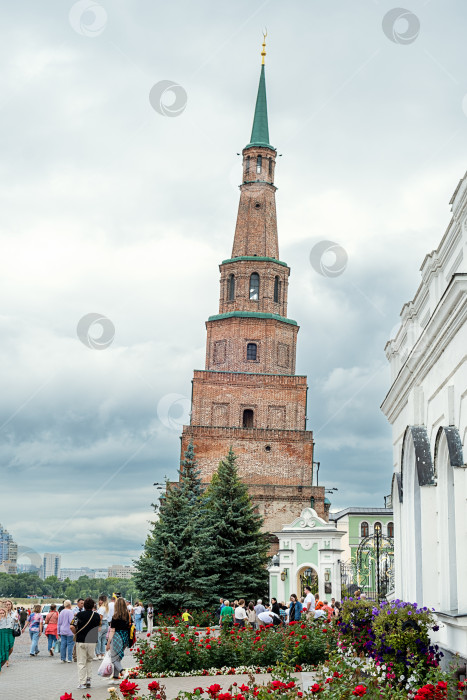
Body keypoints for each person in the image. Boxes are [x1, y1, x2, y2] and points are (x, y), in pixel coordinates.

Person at [72, 597, 101, 691]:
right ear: (93, 606)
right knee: (89, 660)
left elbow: (72, 626)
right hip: (92, 640)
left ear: (84, 605)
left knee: (81, 662)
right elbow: (98, 627)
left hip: (81, 640)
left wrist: (76, 633)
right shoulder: (97, 615)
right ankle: (89, 679)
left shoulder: (79, 614)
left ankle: (82, 682)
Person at [106, 596, 131, 685]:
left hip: (117, 637)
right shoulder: (128, 615)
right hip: (125, 637)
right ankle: (116, 678)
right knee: (117, 658)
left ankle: (123, 672)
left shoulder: (115, 616)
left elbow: (112, 630)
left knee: (114, 659)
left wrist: (108, 643)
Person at [95, 595, 110, 660]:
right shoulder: (107, 608)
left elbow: (100, 617)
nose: (99, 601)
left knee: (98, 639)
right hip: (106, 623)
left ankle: (98, 654)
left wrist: (98, 625)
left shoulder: (101, 608)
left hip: (101, 623)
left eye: (100, 600)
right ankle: (103, 653)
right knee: (103, 640)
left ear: (102, 601)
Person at [3, 600, 18, 666]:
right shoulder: (2, 612)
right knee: (5, 646)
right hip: (4, 631)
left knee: (11, 647)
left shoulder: (14, 613)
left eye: (9, 604)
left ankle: (7, 657)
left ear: (11, 605)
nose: (8, 606)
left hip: (11, 631)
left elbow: (16, 623)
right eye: (7, 604)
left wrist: (17, 620)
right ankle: (6, 659)